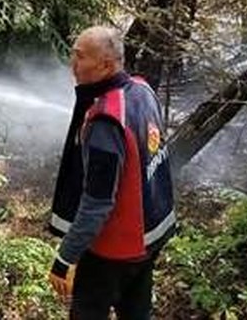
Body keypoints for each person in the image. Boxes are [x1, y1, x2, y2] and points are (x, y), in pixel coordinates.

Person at [47, 25, 176, 319]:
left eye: (79, 57)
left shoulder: (106, 121)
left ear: (106, 65)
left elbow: (98, 202)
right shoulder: (142, 91)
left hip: (111, 251)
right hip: (147, 240)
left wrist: (65, 257)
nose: (73, 65)